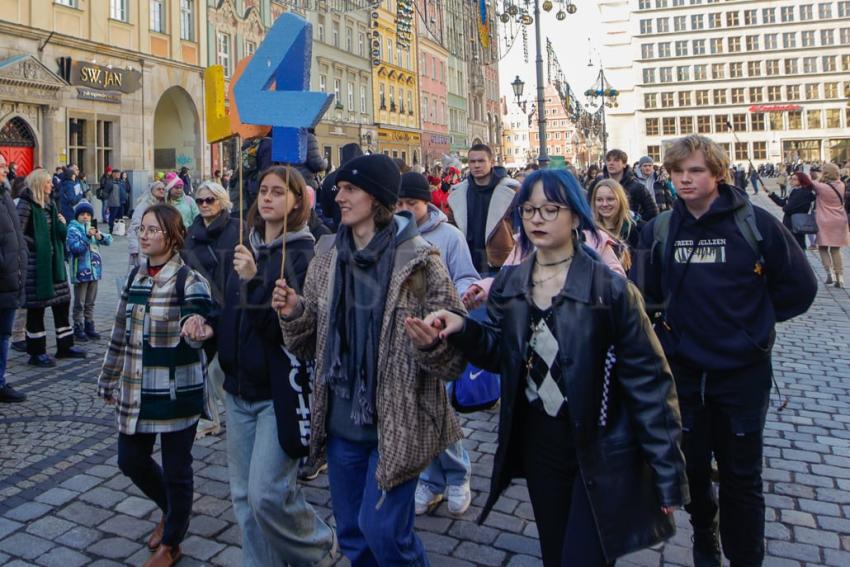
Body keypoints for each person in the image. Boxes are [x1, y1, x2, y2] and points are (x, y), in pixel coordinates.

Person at [408, 168, 688, 567]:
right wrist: (463, 329)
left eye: (550, 209)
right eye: (529, 210)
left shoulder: (609, 290)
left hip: (599, 443)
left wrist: (666, 473)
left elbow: (651, 382)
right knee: (555, 551)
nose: (536, 219)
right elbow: (499, 356)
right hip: (541, 441)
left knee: (583, 556)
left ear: (575, 215)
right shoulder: (512, 283)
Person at [272, 153, 467, 567]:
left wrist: (433, 343)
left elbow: (452, 361)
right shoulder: (326, 256)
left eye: (350, 189)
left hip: (396, 423)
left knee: (384, 534)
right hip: (342, 423)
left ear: (377, 199)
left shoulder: (419, 260)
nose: (338, 196)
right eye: (339, 188)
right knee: (353, 536)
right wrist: (295, 313)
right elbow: (309, 344)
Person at [634, 135, 817, 567]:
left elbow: (800, 288)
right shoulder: (658, 229)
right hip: (686, 374)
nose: (684, 179)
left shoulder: (756, 224)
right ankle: (704, 535)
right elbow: (645, 296)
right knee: (693, 469)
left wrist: (755, 328)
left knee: (742, 478)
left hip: (742, 374)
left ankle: (746, 557)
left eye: (695, 170)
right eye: (677, 172)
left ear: (717, 172)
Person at [216, 166, 337, 566]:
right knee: (243, 500)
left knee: (267, 493)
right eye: (263, 191)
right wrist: (203, 328)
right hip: (237, 390)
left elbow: (283, 333)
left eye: (278, 192)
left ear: (298, 201)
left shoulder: (305, 256)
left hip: (278, 393)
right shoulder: (242, 248)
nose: (266, 198)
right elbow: (229, 316)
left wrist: (254, 280)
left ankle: (316, 546)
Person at [98, 204, 213, 567]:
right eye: (142, 229)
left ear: (173, 236)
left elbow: (201, 323)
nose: (144, 235)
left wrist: (198, 329)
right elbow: (119, 332)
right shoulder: (135, 277)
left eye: (153, 230)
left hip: (178, 392)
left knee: (178, 468)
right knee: (130, 460)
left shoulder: (189, 280)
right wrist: (108, 378)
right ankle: (171, 508)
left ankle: (172, 542)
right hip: (138, 390)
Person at [395, 172, 479, 517]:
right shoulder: (393, 238)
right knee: (419, 411)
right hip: (406, 339)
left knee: (438, 409)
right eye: (398, 203)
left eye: (410, 204)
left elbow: (467, 277)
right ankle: (431, 479)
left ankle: (456, 476)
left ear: (425, 203)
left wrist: (454, 303)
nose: (403, 210)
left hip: (441, 338)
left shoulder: (449, 237)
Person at [182, 181, 240, 438]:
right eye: (200, 201)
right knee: (203, 363)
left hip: (230, 302)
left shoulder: (237, 228)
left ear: (222, 200)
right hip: (202, 302)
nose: (204, 205)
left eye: (210, 200)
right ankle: (210, 418)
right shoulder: (192, 232)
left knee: (221, 365)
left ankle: (236, 414)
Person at [17, 169, 86, 367]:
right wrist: (38, 244)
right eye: (48, 182)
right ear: (39, 184)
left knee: (62, 303)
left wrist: (61, 223)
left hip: (54, 263)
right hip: (36, 265)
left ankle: (65, 345)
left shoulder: (50, 203)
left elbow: (57, 231)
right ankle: (36, 352)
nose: (52, 185)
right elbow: (18, 233)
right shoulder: (26, 204)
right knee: (36, 309)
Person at [447, 143, 520, 275]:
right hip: (467, 262)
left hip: (501, 262)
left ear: (491, 162)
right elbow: (451, 228)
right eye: (472, 161)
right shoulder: (458, 193)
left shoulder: (511, 190)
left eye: (481, 161)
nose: (476, 165)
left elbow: (520, 227)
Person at [0, 153, 27, 403]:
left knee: (4, 335)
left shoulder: (6, 196)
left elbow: (16, 235)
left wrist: (21, 261)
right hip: (3, 277)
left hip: (11, 280)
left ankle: (0, 382)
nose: (4, 170)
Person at [66, 199, 112, 341]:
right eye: (82, 214)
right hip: (80, 272)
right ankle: (78, 326)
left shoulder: (92, 228)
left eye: (88, 214)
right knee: (79, 302)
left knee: (90, 301)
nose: (85, 217)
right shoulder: (73, 229)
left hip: (94, 271)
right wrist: (87, 237)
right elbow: (75, 248)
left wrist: (100, 235)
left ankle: (89, 324)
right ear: (77, 216)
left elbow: (109, 240)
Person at [811, 163, 848, 287]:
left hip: (824, 220)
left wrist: (816, 176)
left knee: (822, 247)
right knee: (836, 249)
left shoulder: (821, 187)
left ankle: (830, 274)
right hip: (839, 219)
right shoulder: (842, 185)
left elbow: (810, 181)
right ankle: (840, 277)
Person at [591, 178, 641, 270]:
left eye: (610, 199)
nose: (604, 204)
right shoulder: (589, 231)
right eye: (599, 200)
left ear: (620, 200)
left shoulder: (634, 229)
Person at [599, 150, 658, 221]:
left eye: (616, 160)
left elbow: (652, 212)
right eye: (608, 160)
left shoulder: (636, 187)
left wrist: (637, 224)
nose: (611, 163)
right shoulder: (598, 185)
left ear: (624, 164)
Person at [317, 142, 363, 232]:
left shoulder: (329, 178)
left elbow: (325, 210)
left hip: (336, 227)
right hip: (360, 228)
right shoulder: (364, 178)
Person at [768, 172, 815, 250]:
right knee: (796, 244)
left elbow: (787, 208)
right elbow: (783, 203)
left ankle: (800, 261)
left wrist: (786, 207)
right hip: (794, 222)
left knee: (796, 245)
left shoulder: (801, 193)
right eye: (791, 179)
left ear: (802, 181)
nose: (791, 181)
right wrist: (772, 195)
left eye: (795, 179)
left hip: (794, 222)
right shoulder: (794, 191)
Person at [130, 181, 168, 268]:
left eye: (163, 189)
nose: (162, 191)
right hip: (144, 244)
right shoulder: (143, 206)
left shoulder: (165, 205)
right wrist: (134, 247)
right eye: (159, 189)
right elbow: (134, 227)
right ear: (151, 191)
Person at [103, 169, 123, 233]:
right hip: (113, 203)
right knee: (112, 216)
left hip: (121, 202)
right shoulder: (110, 182)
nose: (119, 175)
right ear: (113, 174)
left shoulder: (120, 181)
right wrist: (108, 201)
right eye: (118, 174)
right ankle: (111, 229)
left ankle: (118, 230)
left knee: (119, 217)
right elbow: (105, 192)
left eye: (119, 174)